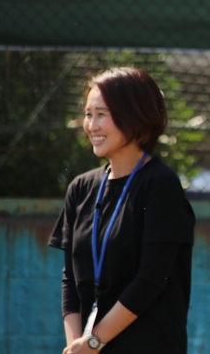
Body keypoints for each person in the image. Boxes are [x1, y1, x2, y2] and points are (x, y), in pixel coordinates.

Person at [49, 67, 196, 353]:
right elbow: (71, 278)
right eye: (88, 114)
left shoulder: (160, 185)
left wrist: (95, 341)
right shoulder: (81, 188)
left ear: (134, 116)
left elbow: (152, 279)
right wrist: (77, 345)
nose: (91, 125)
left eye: (101, 114)